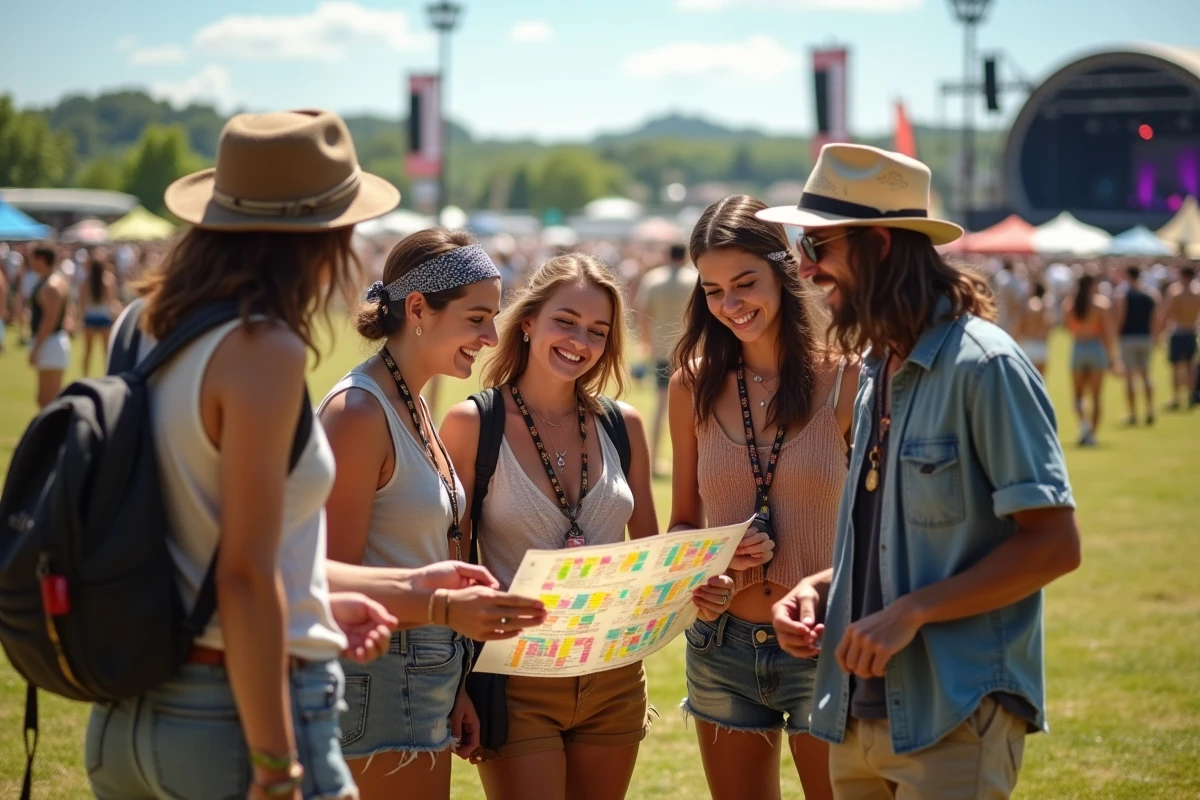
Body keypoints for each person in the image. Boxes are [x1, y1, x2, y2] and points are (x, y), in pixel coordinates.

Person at [84, 109, 405, 800]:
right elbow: (244, 577)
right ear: (324, 236)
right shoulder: (263, 349)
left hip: (126, 707)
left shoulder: (141, 323)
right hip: (237, 715)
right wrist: (275, 765)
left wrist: (315, 602)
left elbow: (179, 522)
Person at [764, 143, 1081, 800]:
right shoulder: (877, 369)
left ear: (879, 244)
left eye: (818, 246)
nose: (804, 266)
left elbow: (1054, 543)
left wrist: (912, 613)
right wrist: (821, 590)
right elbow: (892, 538)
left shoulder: (984, 366)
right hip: (855, 717)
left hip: (953, 714)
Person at [317, 227, 547, 800]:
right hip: (376, 676)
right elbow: (331, 582)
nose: (491, 337)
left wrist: (454, 683)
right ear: (417, 307)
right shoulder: (359, 412)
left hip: (423, 669)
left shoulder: (412, 399)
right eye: (476, 318)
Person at [440, 253, 663, 800]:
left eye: (597, 330)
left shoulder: (623, 425)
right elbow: (452, 563)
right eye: (565, 321)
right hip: (516, 680)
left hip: (615, 676)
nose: (579, 341)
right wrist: (456, 686)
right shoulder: (473, 423)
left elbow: (655, 553)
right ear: (528, 321)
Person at [666, 195, 857, 800]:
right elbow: (681, 523)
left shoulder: (850, 378)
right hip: (720, 643)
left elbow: (875, 525)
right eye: (713, 289)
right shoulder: (690, 385)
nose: (730, 304)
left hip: (824, 639)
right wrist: (703, 563)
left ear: (786, 270)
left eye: (744, 283)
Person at [634, 242, 699, 474]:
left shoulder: (653, 279)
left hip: (662, 350)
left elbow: (642, 313)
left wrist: (646, 342)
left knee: (661, 406)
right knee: (696, 409)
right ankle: (695, 461)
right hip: (692, 352)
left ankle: (653, 460)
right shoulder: (694, 279)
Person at [1064, 271, 1118, 445]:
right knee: (1096, 396)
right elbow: (1108, 333)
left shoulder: (1070, 304)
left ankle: (1084, 428)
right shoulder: (1101, 304)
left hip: (1078, 347)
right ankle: (1091, 434)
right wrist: (1113, 358)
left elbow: (1069, 328)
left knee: (1078, 396)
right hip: (1096, 347)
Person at [26, 245, 71, 408]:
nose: (31, 263)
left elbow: (49, 320)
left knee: (48, 399)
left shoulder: (51, 285)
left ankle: (54, 433)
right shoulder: (54, 280)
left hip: (50, 342)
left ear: (42, 260)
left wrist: (36, 348)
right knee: (44, 398)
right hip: (52, 341)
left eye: (34, 259)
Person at [1115, 265, 1160, 424]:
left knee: (1130, 378)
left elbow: (1120, 317)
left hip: (1128, 338)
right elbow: (1155, 320)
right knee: (1146, 375)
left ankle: (1133, 414)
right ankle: (1150, 410)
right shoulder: (1151, 295)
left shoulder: (1124, 295)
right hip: (1146, 338)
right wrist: (1155, 338)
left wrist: (1115, 336)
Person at [1161, 264, 1200, 410]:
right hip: (1192, 331)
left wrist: (1161, 331)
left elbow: (1167, 313)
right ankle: (1191, 395)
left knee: (1176, 367)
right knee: (1190, 367)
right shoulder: (1197, 293)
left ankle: (1176, 398)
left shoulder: (1175, 292)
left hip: (1178, 331)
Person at [78, 255, 123, 375]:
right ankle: (108, 375)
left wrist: (80, 318)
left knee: (88, 352)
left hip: (90, 318)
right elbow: (112, 301)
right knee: (106, 352)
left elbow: (81, 302)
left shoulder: (86, 281)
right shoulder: (108, 280)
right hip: (104, 318)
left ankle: (85, 376)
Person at [1016, 280, 1052, 375]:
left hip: (1028, 343)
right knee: (1040, 381)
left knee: (1027, 380)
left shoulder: (1025, 305)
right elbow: (1048, 325)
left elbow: (1020, 325)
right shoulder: (1045, 306)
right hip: (1040, 344)